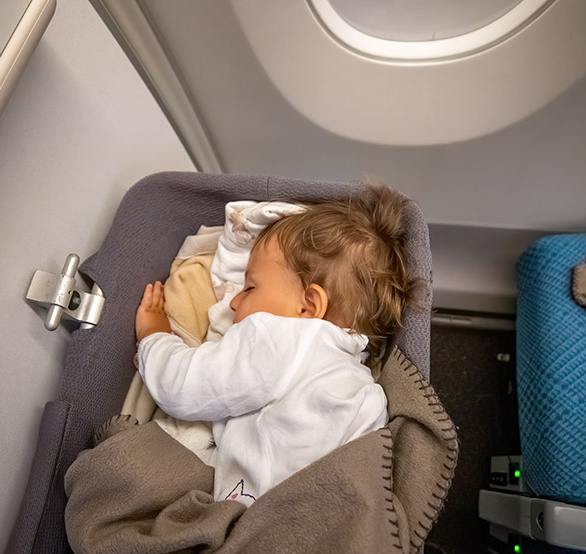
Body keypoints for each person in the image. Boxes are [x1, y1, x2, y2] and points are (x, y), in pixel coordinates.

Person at [134, 184, 422, 506]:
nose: (232, 303)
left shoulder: (278, 339)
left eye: (250, 287)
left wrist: (154, 336)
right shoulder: (367, 392)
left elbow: (184, 386)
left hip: (256, 515)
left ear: (309, 305)